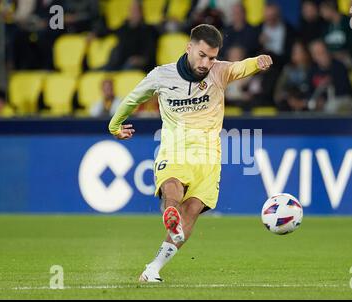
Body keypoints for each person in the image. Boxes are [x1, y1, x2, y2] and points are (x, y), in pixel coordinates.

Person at [108, 24, 272, 282]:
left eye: (212, 57)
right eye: (202, 55)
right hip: (176, 148)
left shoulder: (219, 73)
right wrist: (114, 125)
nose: (207, 63)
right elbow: (132, 99)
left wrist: (259, 61)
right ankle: (170, 212)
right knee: (173, 186)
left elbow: (241, 66)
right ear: (189, 48)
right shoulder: (162, 76)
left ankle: (153, 269)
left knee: (193, 210)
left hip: (209, 157)